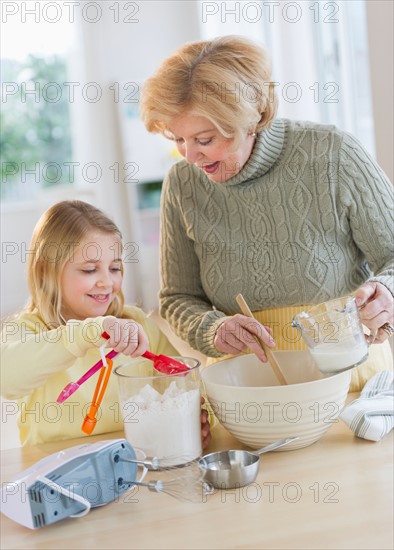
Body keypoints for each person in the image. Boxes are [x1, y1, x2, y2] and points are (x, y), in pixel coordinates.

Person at [140, 35, 394, 391]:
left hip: (352, 384)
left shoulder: (332, 153)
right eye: (177, 139)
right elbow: (177, 298)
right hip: (247, 390)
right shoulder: (183, 183)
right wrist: (213, 329)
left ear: (250, 118)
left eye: (205, 139)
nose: (189, 156)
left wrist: (386, 292)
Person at [1, 200, 211, 447]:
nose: (106, 282)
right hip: (58, 476)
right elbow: (7, 379)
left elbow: (186, 385)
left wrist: (200, 418)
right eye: (90, 270)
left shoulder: (136, 323)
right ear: (46, 271)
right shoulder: (28, 330)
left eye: (114, 268)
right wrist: (89, 332)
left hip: (133, 465)